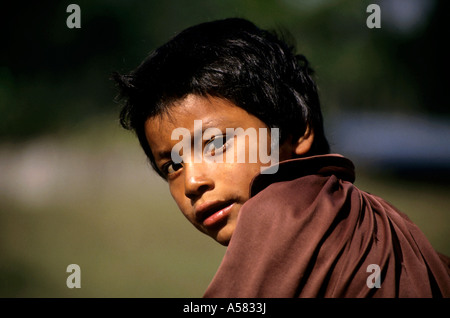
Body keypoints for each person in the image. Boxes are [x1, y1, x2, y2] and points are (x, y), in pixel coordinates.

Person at [112, 18, 450, 297]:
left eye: (215, 143)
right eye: (173, 164)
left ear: (295, 132)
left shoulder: (279, 211)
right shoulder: (388, 231)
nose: (193, 181)